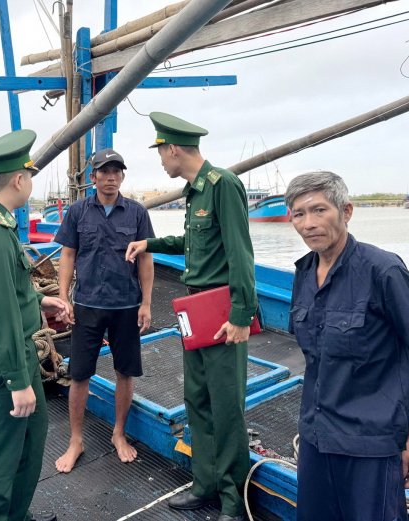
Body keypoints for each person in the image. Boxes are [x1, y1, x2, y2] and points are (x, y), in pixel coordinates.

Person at [125, 113, 258, 521]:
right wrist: (150, 241)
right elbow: (193, 242)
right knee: (197, 400)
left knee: (226, 406)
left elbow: (240, 254)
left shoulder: (222, 185)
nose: (161, 161)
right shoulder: (195, 191)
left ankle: (234, 501)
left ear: (173, 149)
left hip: (220, 313)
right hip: (193, 311)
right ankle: (205, 485)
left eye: (161, 153)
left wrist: (240, 315)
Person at [284, 171, 409, 521]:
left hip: (370, 441)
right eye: (299, 214)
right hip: (315, 436)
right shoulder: (304, 272)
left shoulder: (383, 271)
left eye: (319, 210)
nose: (309, 223)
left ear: (346, 211)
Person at [0, 129, 69, 521]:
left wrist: (39, 299)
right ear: (18, 179)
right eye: (29, 176)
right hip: (0, 362)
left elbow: (6, 288)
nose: (30, 183)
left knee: (30, 442)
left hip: (13, 355)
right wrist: (17, 382)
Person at [53, 148, 156, 473]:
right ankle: (76, 441)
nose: (111, 178)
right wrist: (63, 298)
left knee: (125, 371)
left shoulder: (137, 213)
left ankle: (119, 433)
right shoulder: (78, 211)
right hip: (87, 305)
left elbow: (146, 259)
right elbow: (68, 255)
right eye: (104, 172)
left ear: (122, 176)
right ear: (92, 177)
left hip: (126, 306)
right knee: (80, 373)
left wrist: (147, 303)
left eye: (116, 172)